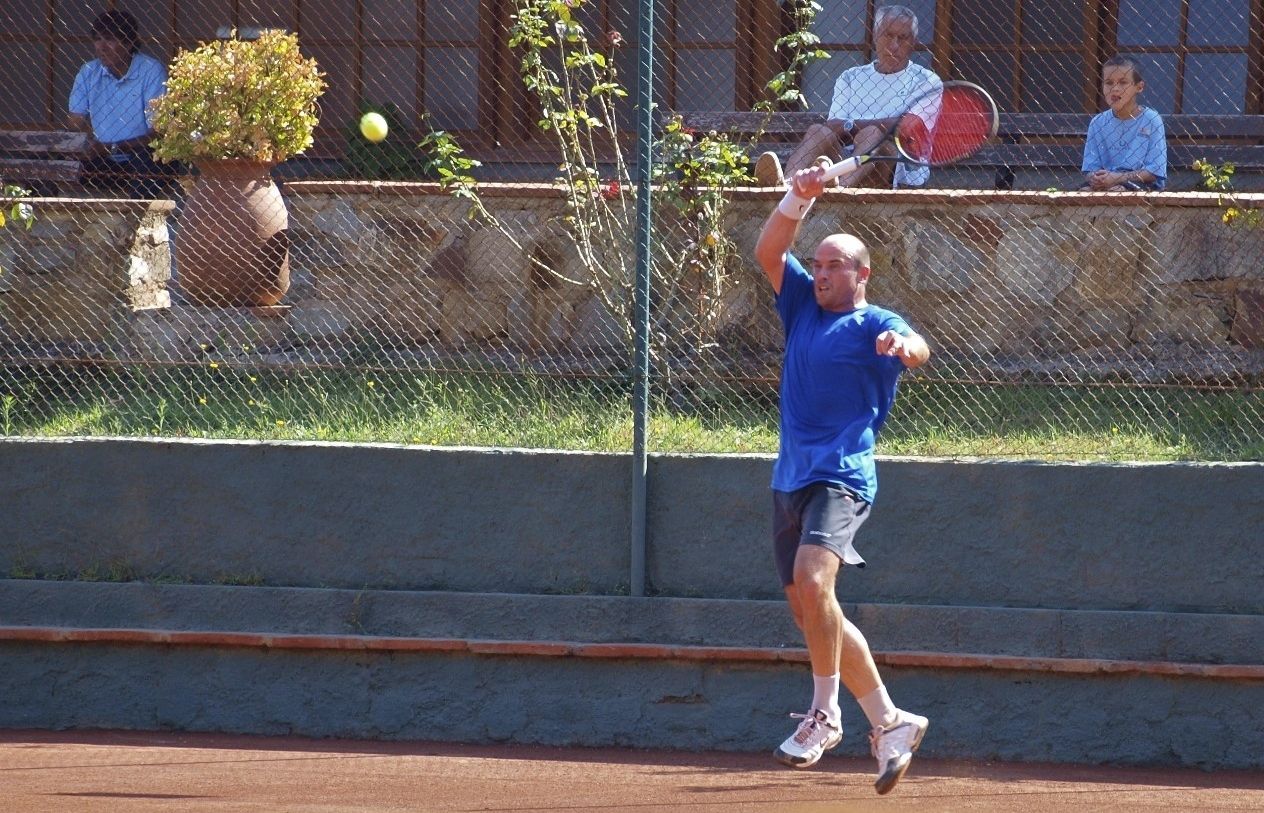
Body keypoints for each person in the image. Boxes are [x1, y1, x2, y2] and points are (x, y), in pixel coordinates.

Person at [753, 160, 931, 795]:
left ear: (862, 275)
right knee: (812, 612)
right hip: (790, 478)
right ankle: (891, 721)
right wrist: (798, 196)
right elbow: (769, 249)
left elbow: (918, 347)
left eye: (835, 266)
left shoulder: (875, 322)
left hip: (842, 476)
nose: (822, 273)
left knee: (813, 579)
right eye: (819, 265)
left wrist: (903, 348)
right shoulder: (800, 304)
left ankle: (824, 714)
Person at [754, 5, 942, 190]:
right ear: (875, 36)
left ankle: (839, 188)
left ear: (914, 42)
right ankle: (784, 183)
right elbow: (834, 126)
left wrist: (851, 125)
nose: (894, 45)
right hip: (847, 159)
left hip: (897, 166)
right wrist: (867, 126)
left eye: (903, 38)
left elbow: (906, 128)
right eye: (888, 35)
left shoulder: (926, 81)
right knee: (818, 131)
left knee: (872, 135)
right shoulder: (851, 77)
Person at [68, 10, 178, 198]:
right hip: (101, 159)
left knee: (149, 162)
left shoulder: (150, 71)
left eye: (110, 40)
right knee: (47, 158)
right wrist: (89, 145)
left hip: (139, 157)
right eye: (97, 39)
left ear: (128, 43)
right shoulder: (88, 72)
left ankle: (135, 221)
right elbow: (74, 122)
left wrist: (112, 147)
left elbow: (158, 134)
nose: (101, 47)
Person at [1080, 55, 1166, 191]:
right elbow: (1090, 169)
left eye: (1123, 82)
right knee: (1084, 192)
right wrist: (1095, 177)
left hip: (1139, 182)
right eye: (1108, 83)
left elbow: (1154, 172)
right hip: (1105, 179)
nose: (1115, 88)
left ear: (1139, 87)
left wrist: (1116, 178)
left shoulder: (1151, 119)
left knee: (1118, 191)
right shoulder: (1097, 123)